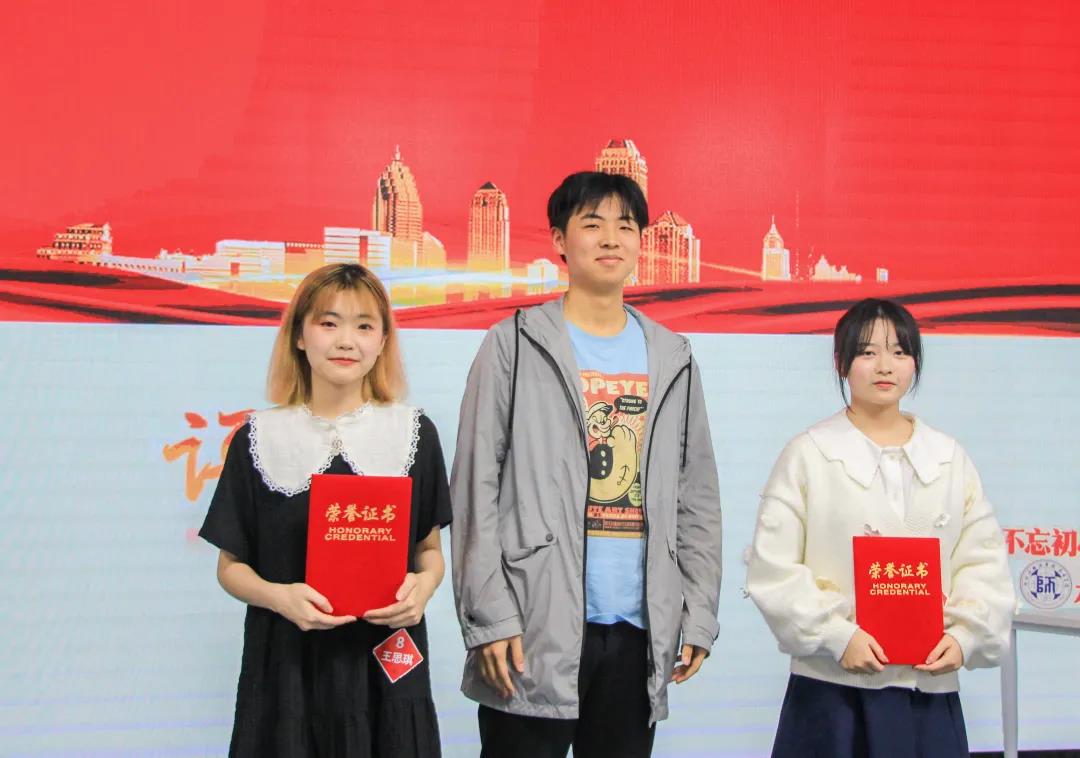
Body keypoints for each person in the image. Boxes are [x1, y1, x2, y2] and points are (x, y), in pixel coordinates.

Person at [451, 171, 724, 757]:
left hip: (637, 629)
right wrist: (489, 616)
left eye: (626, 226)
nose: (610, 238)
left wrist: (699, 612)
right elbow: (475, 489)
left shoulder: (672, 356)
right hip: (532, 622)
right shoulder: (513, 343)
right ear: (559, 239)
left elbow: (696, 495)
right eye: (592, 224)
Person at [199, 263, 451, 757]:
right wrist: (279, 597)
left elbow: (429, 551)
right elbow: (230, 568)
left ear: (382, 341)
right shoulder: (258, 437)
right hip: (287, 667)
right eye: (328, 323)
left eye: (364, 326)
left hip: (385, 661)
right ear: (300, 336)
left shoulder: (413, 434)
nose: (346, 341)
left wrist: (422, 589)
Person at [746, 298, 1016, 758]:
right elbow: (773, 568)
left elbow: (983, 562)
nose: (885, 366)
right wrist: (838, 636)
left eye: (899, 351)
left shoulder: (949, 458)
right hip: (832, 692)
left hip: (929, 689)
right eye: (867, 352)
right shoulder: (808, 454)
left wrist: (965, 637)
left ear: (915, 362)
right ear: (841, 362)